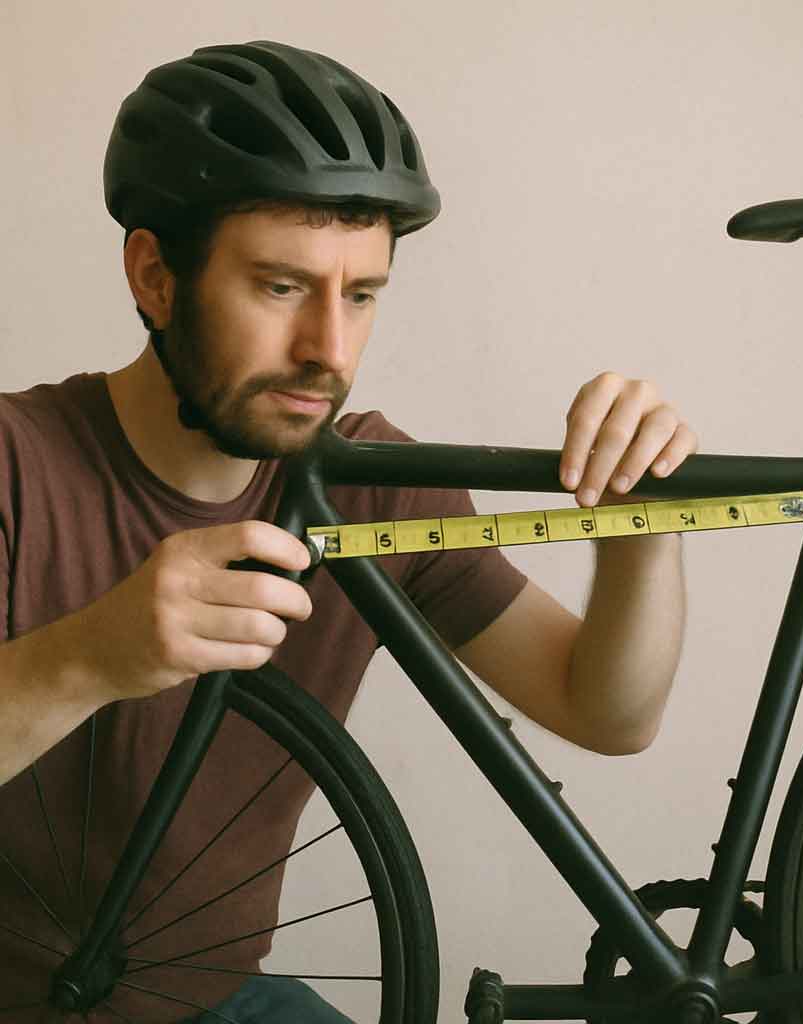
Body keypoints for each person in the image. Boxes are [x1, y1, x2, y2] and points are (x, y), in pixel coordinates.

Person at [0, 40, 694, 1022]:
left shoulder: (374, 487)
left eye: (360, 295)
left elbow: (606, 712)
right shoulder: (15, 461)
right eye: (280, 287)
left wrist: (641, 538)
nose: (328, 349)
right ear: (155, 277)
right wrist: (91, 654)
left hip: (217, 1003)